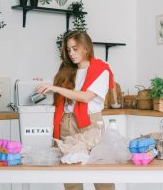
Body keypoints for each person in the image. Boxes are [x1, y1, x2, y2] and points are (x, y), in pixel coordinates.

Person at [37, 30, 115, 190]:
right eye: (68, 49)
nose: (71, 53)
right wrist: (44, 85)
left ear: (86, 47)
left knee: (100, 173)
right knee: (71, 175)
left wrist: (56, 88)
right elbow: (61, 95)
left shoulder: (101, 70)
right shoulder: (66, 69)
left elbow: (86, 97)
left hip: (90, 123)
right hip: (66, 122)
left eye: (75, 48)